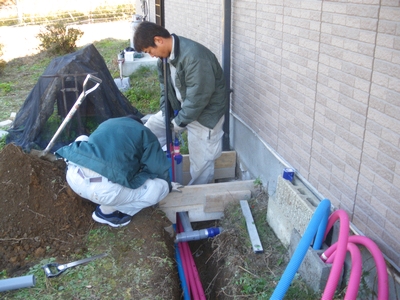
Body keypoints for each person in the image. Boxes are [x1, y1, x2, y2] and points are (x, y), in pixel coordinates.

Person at [134, 21, 228, 185]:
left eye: (150, 51)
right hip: (181, 110)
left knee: (201, 164)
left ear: (158, 40)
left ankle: (198, 202)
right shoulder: (164, 59)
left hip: (205, 115)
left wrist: (178, 123)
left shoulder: (195, 58)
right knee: (150, 130)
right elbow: (165, 90)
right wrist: (167, 114)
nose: (152, 55)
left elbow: (197, 99)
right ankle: (137, 170)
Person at [55, 115, 173, 228]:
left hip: (73, 179)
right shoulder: (144, 132)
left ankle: (72, 169)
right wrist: (169, 186)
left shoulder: (108, 123)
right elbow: (157, 167)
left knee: (83, 139)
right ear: (139, 125)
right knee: (161, 187)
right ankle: (108, 212)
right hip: (105, 191)